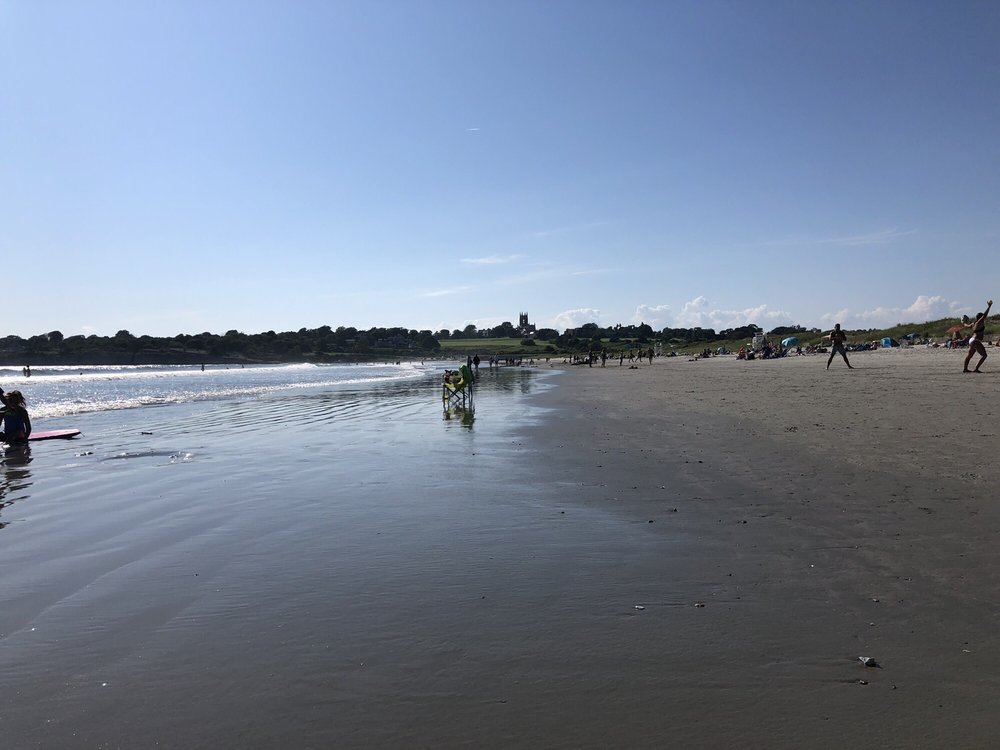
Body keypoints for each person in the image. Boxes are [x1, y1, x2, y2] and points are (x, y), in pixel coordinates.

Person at [962, 299, 993, 373]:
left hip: (971, 340)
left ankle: (965, 369)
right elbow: (985, 315)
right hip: (976, 341)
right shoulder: (979, 322)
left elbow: (967, 325)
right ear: (980, 318)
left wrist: (963, 322)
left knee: (970, 355)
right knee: (984, 355)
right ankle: (976, 369)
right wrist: (989, 307)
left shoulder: (974, 323)